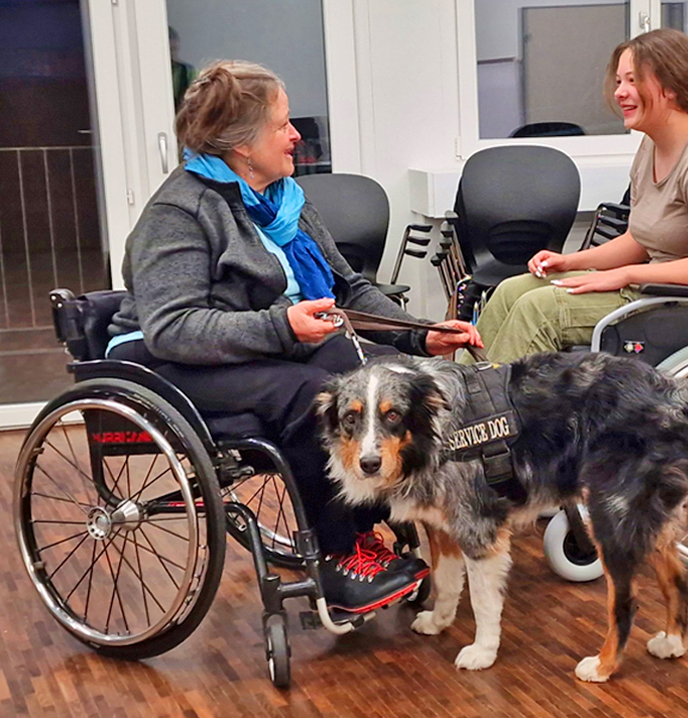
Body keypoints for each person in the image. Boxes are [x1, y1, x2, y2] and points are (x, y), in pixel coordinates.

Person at [106, 60, 481, 614]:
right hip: (172, 362)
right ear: (239, 142)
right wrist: (281, 324)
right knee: (318, 399)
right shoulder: (178, 212)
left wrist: (421, 339)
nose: (296, 134)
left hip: (269, 341)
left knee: (395, 382)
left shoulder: (285, 200)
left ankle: (399, 512)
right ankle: (339, 552)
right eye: (281, 124)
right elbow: (173, 328)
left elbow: (346, 290)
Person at [469, 28, 688, 364]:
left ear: (670, 87)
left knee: (537, 310)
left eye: (633, 81)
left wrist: (627, 274)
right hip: (656, 289)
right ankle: (460, 404)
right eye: (619, 81)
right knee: (509, 292)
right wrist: (571, 261)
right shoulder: (652, 145)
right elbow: (639, 240)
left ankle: (496, 412)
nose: (620, 92)